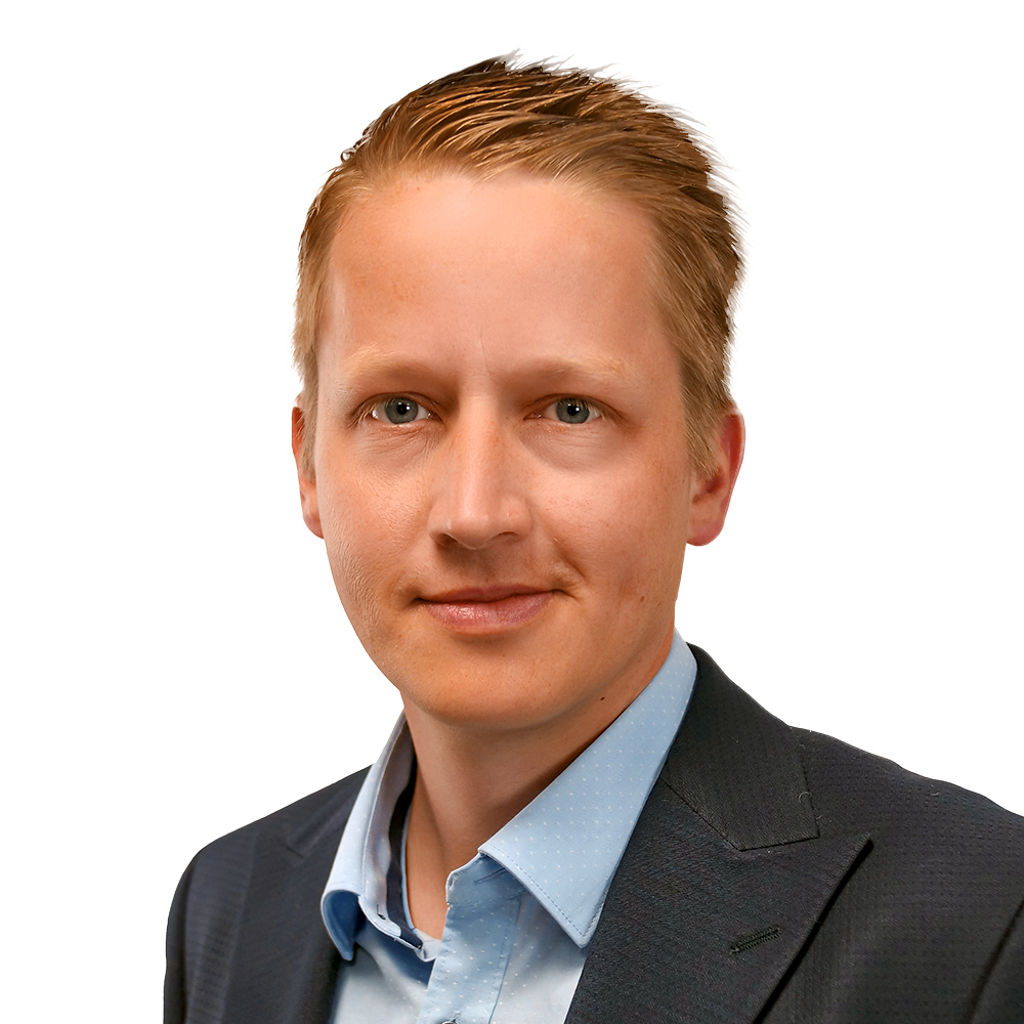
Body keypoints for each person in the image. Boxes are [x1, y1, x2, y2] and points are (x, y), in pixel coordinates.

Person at [165, 57, 1024, 1023]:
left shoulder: (979, 928)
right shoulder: (229, 906)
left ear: (708, 471)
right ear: (310, 467)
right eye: (400, 408)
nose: (475, 512)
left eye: (570, 409)